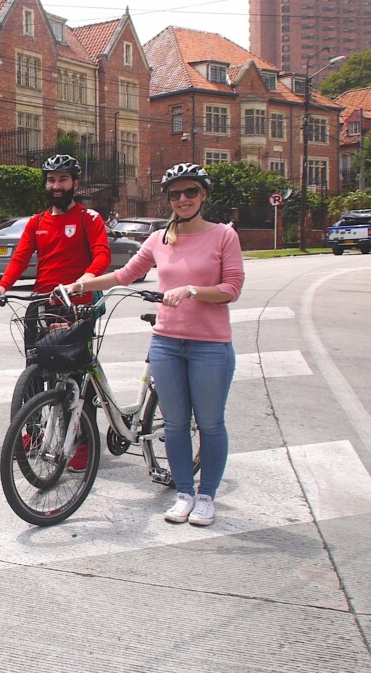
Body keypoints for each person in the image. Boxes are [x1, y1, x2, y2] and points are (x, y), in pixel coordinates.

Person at [72, 163, 243, 527]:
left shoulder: (224, 236)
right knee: (177, 424)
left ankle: (206, 495)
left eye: (190, 192)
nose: (182, 200)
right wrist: (83, 285)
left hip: (210, 346)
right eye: (176, 194)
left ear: (203, 195)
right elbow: (125, 274)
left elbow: (231, 289)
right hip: (166, 342)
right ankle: (184, 492)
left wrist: (194, 290)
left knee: (210, 424)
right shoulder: (159, 239)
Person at [0, 154, 111, 471]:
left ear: (75, 183)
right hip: (42, 305)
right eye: (51, 180)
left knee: (78, 377)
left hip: (77, 306)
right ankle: (33, 434)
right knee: (35, 375)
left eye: (62, 180)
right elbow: (20, 258)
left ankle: (82, 442)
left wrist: (83, 281)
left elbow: (102, 256)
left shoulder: (88, 218)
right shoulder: (37, 222)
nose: (56, 186)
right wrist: (2, 286)